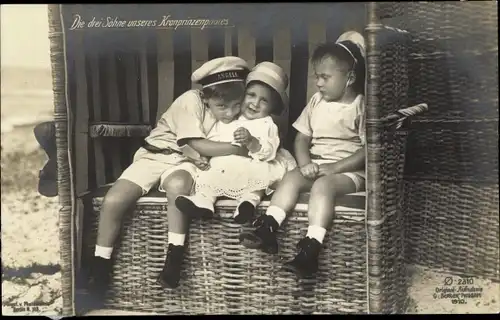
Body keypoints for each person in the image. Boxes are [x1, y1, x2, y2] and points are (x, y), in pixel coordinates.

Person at [88, 56, 252, 295]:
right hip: (154, 155)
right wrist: (239, 149)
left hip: (185, 161)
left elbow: (201, 151)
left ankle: (173, 259)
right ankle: (100, 265)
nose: (230, 113)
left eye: (236, 105)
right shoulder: (189, 101)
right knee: (114, 200)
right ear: (205, 97)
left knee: (178, 186)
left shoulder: (234, 113)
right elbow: (198, 145)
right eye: (222, 107)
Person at [239, 31, 367, 279]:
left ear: (349, 77)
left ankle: (311, 247)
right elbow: (302, 138)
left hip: (348, 172)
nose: (318, 83)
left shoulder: (360, 105)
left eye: (325, 77)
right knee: (292, 177)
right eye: (317, 76)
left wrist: (335, 168)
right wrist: (305, 163)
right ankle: (269, 225)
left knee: (323, 185)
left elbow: (368, 149)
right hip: (317, 166)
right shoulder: (317, 101)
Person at [175, 62, 297, 224]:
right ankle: (204, 202)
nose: (255, 103)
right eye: (251, 95)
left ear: (272, 107)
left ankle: (248, 204)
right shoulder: (230, 117)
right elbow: (213, 139)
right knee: (210, 178)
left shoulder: (267, 124)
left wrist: (251, 141)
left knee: (257, 181)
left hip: (254, 162)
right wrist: (202, 157)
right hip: (224, 165)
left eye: (264, 101)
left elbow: (268, 151)